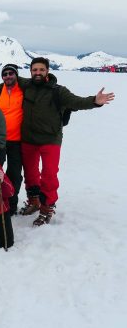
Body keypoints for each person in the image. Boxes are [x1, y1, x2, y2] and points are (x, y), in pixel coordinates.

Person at [18, 57, 114, 225]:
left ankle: (47, 206)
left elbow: (77, 101)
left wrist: (94, 101)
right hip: (28, 138)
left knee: (49, 174)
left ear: (47, 70)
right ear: (30, 71)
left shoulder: (58, 91)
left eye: (41, 69)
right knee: (31, 173)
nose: (38, 73)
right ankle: (34, 201)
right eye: (35, 70)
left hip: (50, 138)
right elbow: (11, 76)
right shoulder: (26, 86)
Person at [0, 64, 24, 215]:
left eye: (11, 73)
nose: (8, 76)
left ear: (16, 75)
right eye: (5, 74)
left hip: (17, 141)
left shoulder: (24, 92)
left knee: (15, 174)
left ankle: (11, 203)